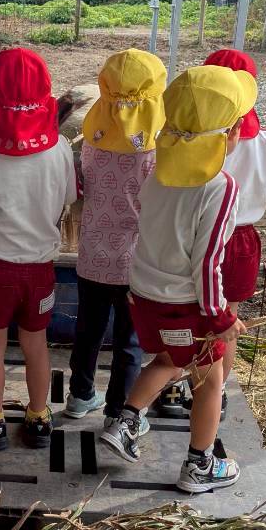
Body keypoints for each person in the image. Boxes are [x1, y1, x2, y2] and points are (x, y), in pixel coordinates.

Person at [100, 65, 255, 493]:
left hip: (145, 295)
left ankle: (126, 421)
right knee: (210, 379)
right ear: (231, 134)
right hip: (186, 301)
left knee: (171, 360)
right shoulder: (219, 187)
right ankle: (200, 466)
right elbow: (207, 264)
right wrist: (220, 316)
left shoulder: (159, 173)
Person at [0, 47, 78, 451]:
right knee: (36, 345)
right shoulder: (60, 148)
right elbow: (67, 196)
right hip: (40, 270)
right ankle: (38, 417)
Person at [65, 48, 166, 443]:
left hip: (92, 257)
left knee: (87, 331)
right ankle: (117, 412)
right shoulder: (156, 151)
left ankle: (79, 396)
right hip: (136, 264)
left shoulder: (91, 141)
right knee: (128, 341)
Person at [204, 48, 266, 385]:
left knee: (191, 315)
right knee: (228, 321)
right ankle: (217, 393)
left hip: (198, 235)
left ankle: (182, 388)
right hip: (240, 239)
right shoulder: (264, 141)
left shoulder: (191, 138)